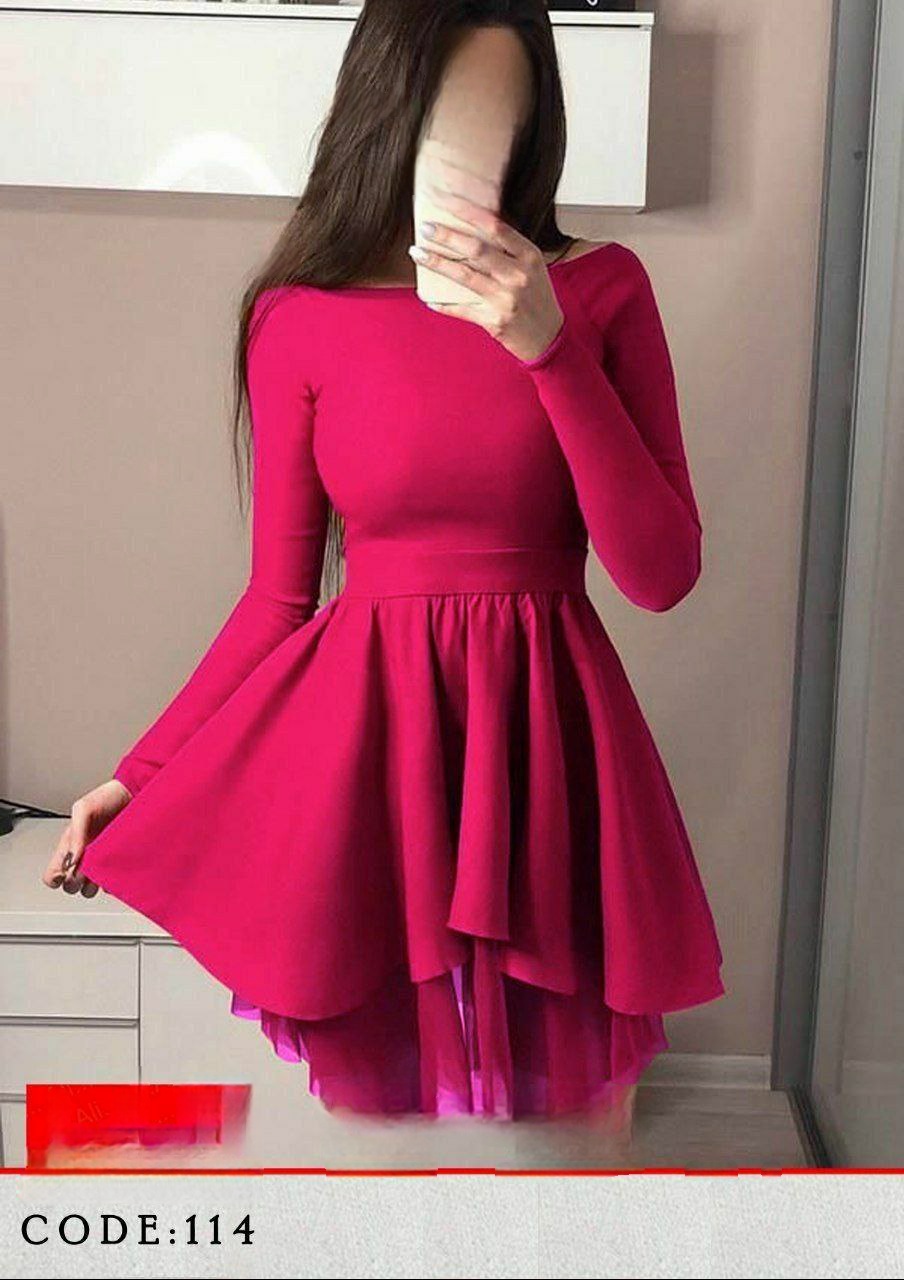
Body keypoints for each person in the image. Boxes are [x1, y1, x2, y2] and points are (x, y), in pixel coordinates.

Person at [43, 0, 724, 1132]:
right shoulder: (297, 315)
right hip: (374, 756)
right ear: (389, 111)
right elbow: (276, 602)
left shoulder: (601, 289)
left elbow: (659, 574)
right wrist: (141, 775)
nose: (479, 149)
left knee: (564, 1143)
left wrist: (550, 349)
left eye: (505, 116)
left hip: (548, 746)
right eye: (455, 114)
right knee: (379, 1128)